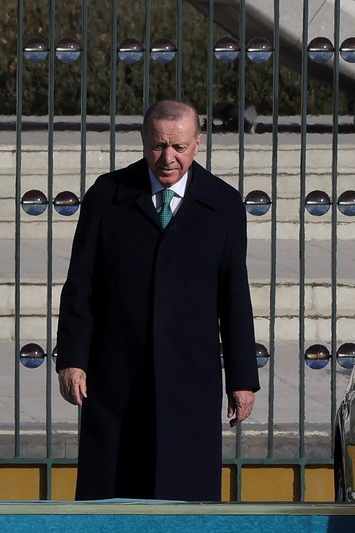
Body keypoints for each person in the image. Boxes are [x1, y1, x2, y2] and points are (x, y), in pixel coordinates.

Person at [56, 100, 260, 501]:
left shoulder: (223, 205)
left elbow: (234, 294)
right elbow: (80, 285)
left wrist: (242, 380)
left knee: (185, 500)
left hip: (190, 381)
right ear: (144, 141)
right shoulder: (107, 195)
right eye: (158, 146)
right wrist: (73, 358)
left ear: (197, 144)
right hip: (117, 379)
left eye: (179, 147)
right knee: (112, 496)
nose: (168, 158)